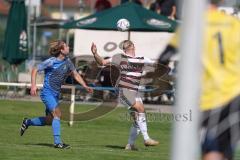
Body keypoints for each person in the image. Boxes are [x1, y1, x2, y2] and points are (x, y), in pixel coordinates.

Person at [158, 0, 240, 159]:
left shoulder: (193, 25)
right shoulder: (235, 24)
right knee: (224, 152)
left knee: (211, 152)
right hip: (235, 95)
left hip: (209, 98)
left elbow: (164, 57)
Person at [20, 40, 93, 149]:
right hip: (47, 93)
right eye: (66, 46)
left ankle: (27, 122)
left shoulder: (68, 61)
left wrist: (85, 86)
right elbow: (35, 70)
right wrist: (33, 85)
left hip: (55, 95)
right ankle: (58, 143)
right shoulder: (51, 61)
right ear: (61, 50)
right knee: (57, 114)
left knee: (50, 120)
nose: (69, 47)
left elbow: (76, 75)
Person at [91, 40, 159, 150]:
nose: (126, 46)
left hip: (135, 92)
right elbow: (102, 63)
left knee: (137, 120)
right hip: (124, 91)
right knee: (140, 109)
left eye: (127, 44)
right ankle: (147, 139)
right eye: (124, 45)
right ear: (126, 48)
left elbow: (156, 65)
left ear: (132, 46)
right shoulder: (119, 58)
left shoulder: (142, 59)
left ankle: (130, 145)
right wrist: (95, 54)